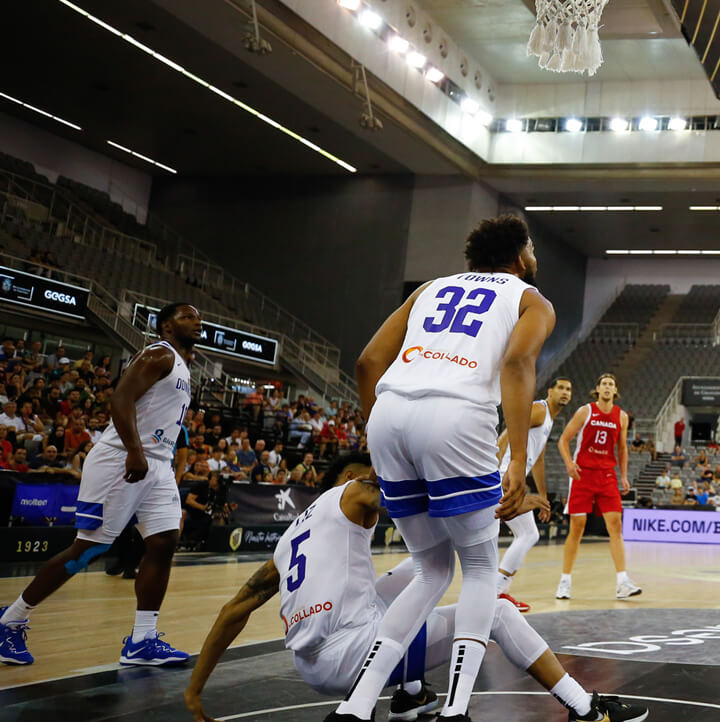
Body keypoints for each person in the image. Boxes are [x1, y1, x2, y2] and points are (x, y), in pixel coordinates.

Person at [184, 455, 646, 722]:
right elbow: (426, 502)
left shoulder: (290, 539)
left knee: (417, 569)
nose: (378, 478)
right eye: (370, 472)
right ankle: (585, 708)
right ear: (353, 479)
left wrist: (194, 693)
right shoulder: (356, 492)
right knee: (496, 611)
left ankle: (410, 694)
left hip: (310, 664)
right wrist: (503, 500)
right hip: (351, 656)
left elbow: (232, 610)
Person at [330, 214, 555, 722]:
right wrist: (518, 459)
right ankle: (455, 710)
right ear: (520, 256)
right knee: (477, 567)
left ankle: (357, 706)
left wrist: (380, 435)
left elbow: (367, 362)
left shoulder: (429, 288)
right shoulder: (529, 298)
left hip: (390, 411)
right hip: (456, 415)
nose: (535, 258)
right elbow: (518, 365)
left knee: (430, 569)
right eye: (534, 249)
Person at [1, 303, 202, 667]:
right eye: (188, 317)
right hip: (122, 458)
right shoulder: (159, 353)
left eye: (199, 318)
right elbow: (120, 398)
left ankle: (142, 640)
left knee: (164, 541)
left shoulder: (184, 367)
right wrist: (134, 451)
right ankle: (10, 620)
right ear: (167, 326)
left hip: (156, 462)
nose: (197, 322)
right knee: (89, 550)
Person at [555, 373, 640, 600]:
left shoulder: (621, 416)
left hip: (606, 475)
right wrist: (569, 463)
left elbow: (622, 449)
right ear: (598, 388)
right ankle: (565, 581)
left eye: (611, 384)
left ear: (615, 390)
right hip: (582, 474)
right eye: (603, 383)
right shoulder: (586, 411)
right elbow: (563, 439)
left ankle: (623, 581)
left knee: (615, 524)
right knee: (578, 526)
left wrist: (623, 476)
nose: (607, 387)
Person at [494, 376, 572, 612]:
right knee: (526, 534)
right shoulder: (540, 409)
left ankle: (497, 590)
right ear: (550, 391)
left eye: (568, 389)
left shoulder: (548, 420)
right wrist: (497, 467)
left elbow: (537, 460)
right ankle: (497, 591)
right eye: (560, 388)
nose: (565, 392)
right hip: (501, 477)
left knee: (526, 534)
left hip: (507, 479)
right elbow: (509, 432)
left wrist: (543, 496)